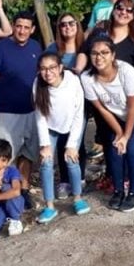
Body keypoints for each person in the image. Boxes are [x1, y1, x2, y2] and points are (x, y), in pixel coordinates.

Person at [76, 0, 134, 194]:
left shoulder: (133, 41)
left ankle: (131, 187)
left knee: (129, 144)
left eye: (129, 10)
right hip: (103, 95)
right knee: (110, 141)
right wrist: (78, 71)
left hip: (132, 100)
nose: (124, 12)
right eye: (120, 8)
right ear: (114, 9)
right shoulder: (100, 29)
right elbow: (83, 50)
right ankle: (115, 180)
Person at [80, 37, 134, 212]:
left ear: (113, 55)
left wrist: (126, 135)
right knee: (114, 147)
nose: (99, 57)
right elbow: (102, 110)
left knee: (132, 147)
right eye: (94, 53)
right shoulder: (87, 78)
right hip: (118, 115)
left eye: (104, 53)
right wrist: (119, 133)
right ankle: (118, 190)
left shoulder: (126, 71)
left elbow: (132, 107)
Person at [0, 11, 42, 209]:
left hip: (31, 111)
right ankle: (0, 196)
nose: (22, 30)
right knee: (4, 158)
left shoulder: (35, 47)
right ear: (13, 26)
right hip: (7, 112)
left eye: (26, 27)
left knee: (28, 154)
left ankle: (22, 190)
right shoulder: (0, 48)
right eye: (19, 26)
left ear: (32, 29)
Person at [33, 52, 90, 223]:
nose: (47, 73)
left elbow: (79, 114)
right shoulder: (38, 83)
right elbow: (39, 116)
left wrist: (72, 144)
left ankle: (78, 198)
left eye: (52, 68)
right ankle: (49, 206)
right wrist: (44, 144)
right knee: (46, 161)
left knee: (71, 159)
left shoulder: (72, 81)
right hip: (49, 126)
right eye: (43, 69)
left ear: (60, 68)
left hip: (72, 123)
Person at [44, 13, 89, 197]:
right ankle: (64, 180)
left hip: (80, 102)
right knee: (62, 140)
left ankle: (80, 178)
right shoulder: (53, 49)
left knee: (77, 140)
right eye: (63, 24)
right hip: (57, 104)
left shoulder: (84, 47)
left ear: (77, 26)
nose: (67, 27)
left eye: (72, 23)